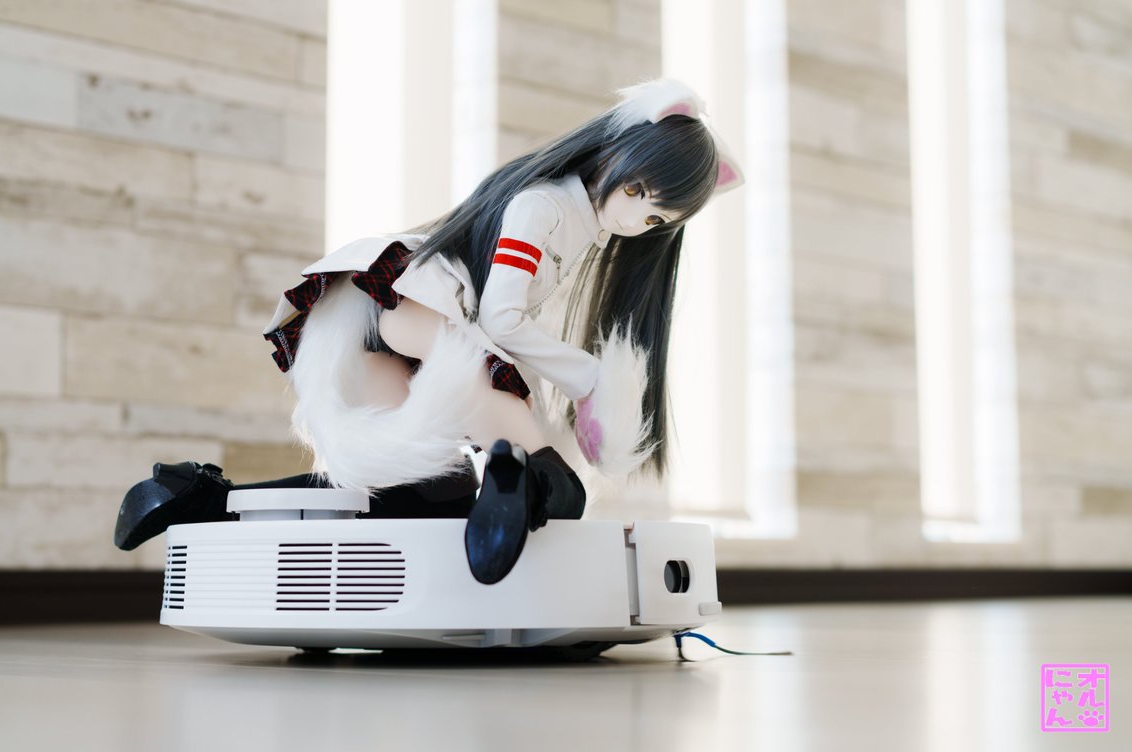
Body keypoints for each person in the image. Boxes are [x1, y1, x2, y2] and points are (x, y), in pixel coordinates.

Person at [113, 77, 744, 585]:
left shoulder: (568, 217)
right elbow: (501, 318)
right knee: (555, 487)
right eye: (636, 191)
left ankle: (196, 497)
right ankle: (509, 494)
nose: (636, 219)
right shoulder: (543, 206)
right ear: (614, 150)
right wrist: (585, 376)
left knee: (411, 495)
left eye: (655, 218)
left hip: (393, 329)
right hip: (410, 306)